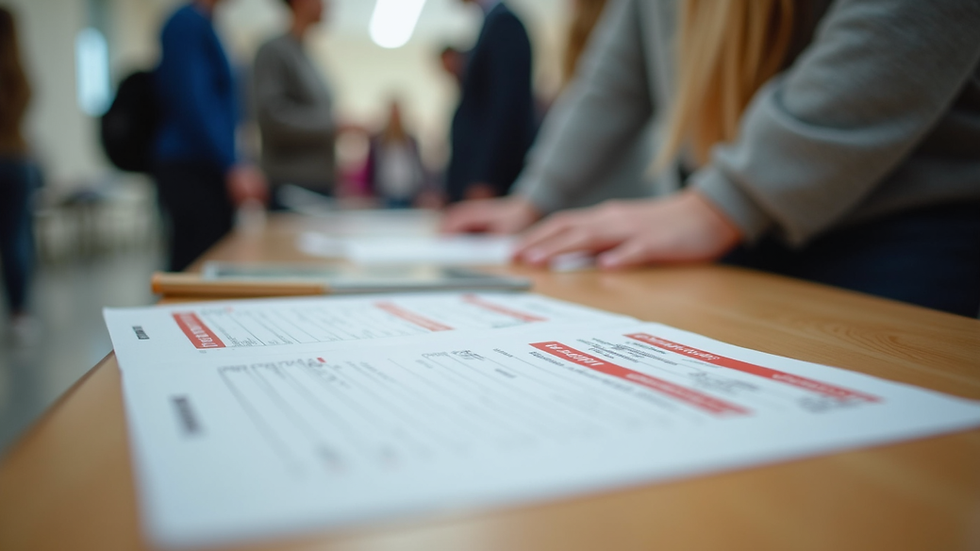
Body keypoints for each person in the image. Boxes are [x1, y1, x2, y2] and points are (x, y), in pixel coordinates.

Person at [443, 0, 980, 317]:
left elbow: (906, 25)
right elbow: (613, 76)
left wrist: (726, 200)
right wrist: (536, 197)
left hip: (900, 223)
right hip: (736, 234)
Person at [152, 0, 267, 272]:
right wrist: (232, 165)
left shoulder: (208, 24)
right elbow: (194, 101)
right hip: (190, 164)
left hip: (205, 163)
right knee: (193, 263)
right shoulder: (187, 23)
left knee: (208, 259)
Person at [445, 0, 536, 203]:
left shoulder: (504, 23)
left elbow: (507, 106)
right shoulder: (491, 23)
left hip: (489, 181)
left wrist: (487, 177)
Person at [252, 0, 336, 210]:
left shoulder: (306, 54)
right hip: (292, 184)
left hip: (318, 182)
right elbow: (273, 117)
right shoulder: (274, 51)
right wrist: (334, 125)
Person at [0, 6, 37, 339]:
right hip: (17, 159)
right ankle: (20, 314)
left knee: (14, 239)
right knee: (16, 239)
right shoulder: (18, 74)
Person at [365, 100, 427, 208]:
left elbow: (417, 166)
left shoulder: (410, 140)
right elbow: (371, 167)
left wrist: (421, 189)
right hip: (384, 192)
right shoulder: (378, 141)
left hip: (408, 192)